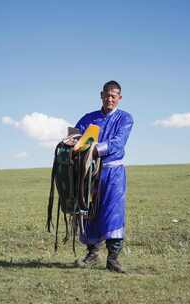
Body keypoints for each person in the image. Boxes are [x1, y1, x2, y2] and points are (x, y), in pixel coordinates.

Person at [74, 80, 134, 273]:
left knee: (113, 212)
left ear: (119, 98)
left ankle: (113, 258)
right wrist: (70, 142)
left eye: (113, 96)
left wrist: (94, 149)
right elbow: (76, 136)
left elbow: (118, 143)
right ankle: (92, 254)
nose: (110, 99)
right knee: (89, 210)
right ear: (101, 95)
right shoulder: (89, 118)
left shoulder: (125, 118)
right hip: (89, 172)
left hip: (113, 172)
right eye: (107, 95)